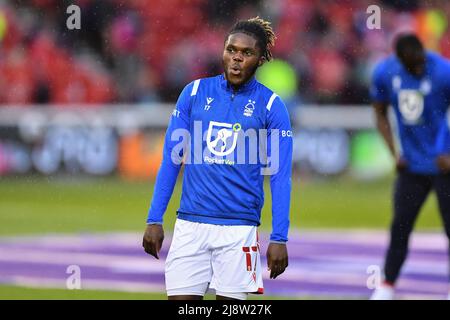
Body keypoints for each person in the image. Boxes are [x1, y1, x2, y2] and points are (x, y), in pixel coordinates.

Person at [142, 17, 293, 300]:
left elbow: (280, 176)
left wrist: (279, 237)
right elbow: (171, 159)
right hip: (190, 226)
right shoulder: (195, 93)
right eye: (231, 50)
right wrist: (154, 218)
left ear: (261, 59)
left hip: (239, 230)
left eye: (246, 53)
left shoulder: (272, 106)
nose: (236, 58)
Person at [369, 34, 450, 300]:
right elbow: (379, 112)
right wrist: (395, 153)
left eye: (421, 63)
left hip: (444, 167)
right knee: (400, 227)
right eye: (412, 65)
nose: (418, 68)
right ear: (401, 61)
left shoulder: (443, 71)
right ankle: (387, 286)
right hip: (412, 166)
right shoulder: (384, 72)